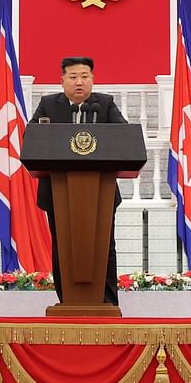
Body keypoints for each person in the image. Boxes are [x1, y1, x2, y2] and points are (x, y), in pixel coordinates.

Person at [29, 56, 126, 306]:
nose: (79, 82)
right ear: (62, 81)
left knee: (104, 245)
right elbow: (33, 140)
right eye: (73, 77)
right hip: (58, 193)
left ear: (93, 80)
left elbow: (125, 138)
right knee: (63, 245)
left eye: (84, 76)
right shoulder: (48, 105)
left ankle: (107, 301)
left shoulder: (105, 104)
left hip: (100, 194)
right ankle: (67, 299)